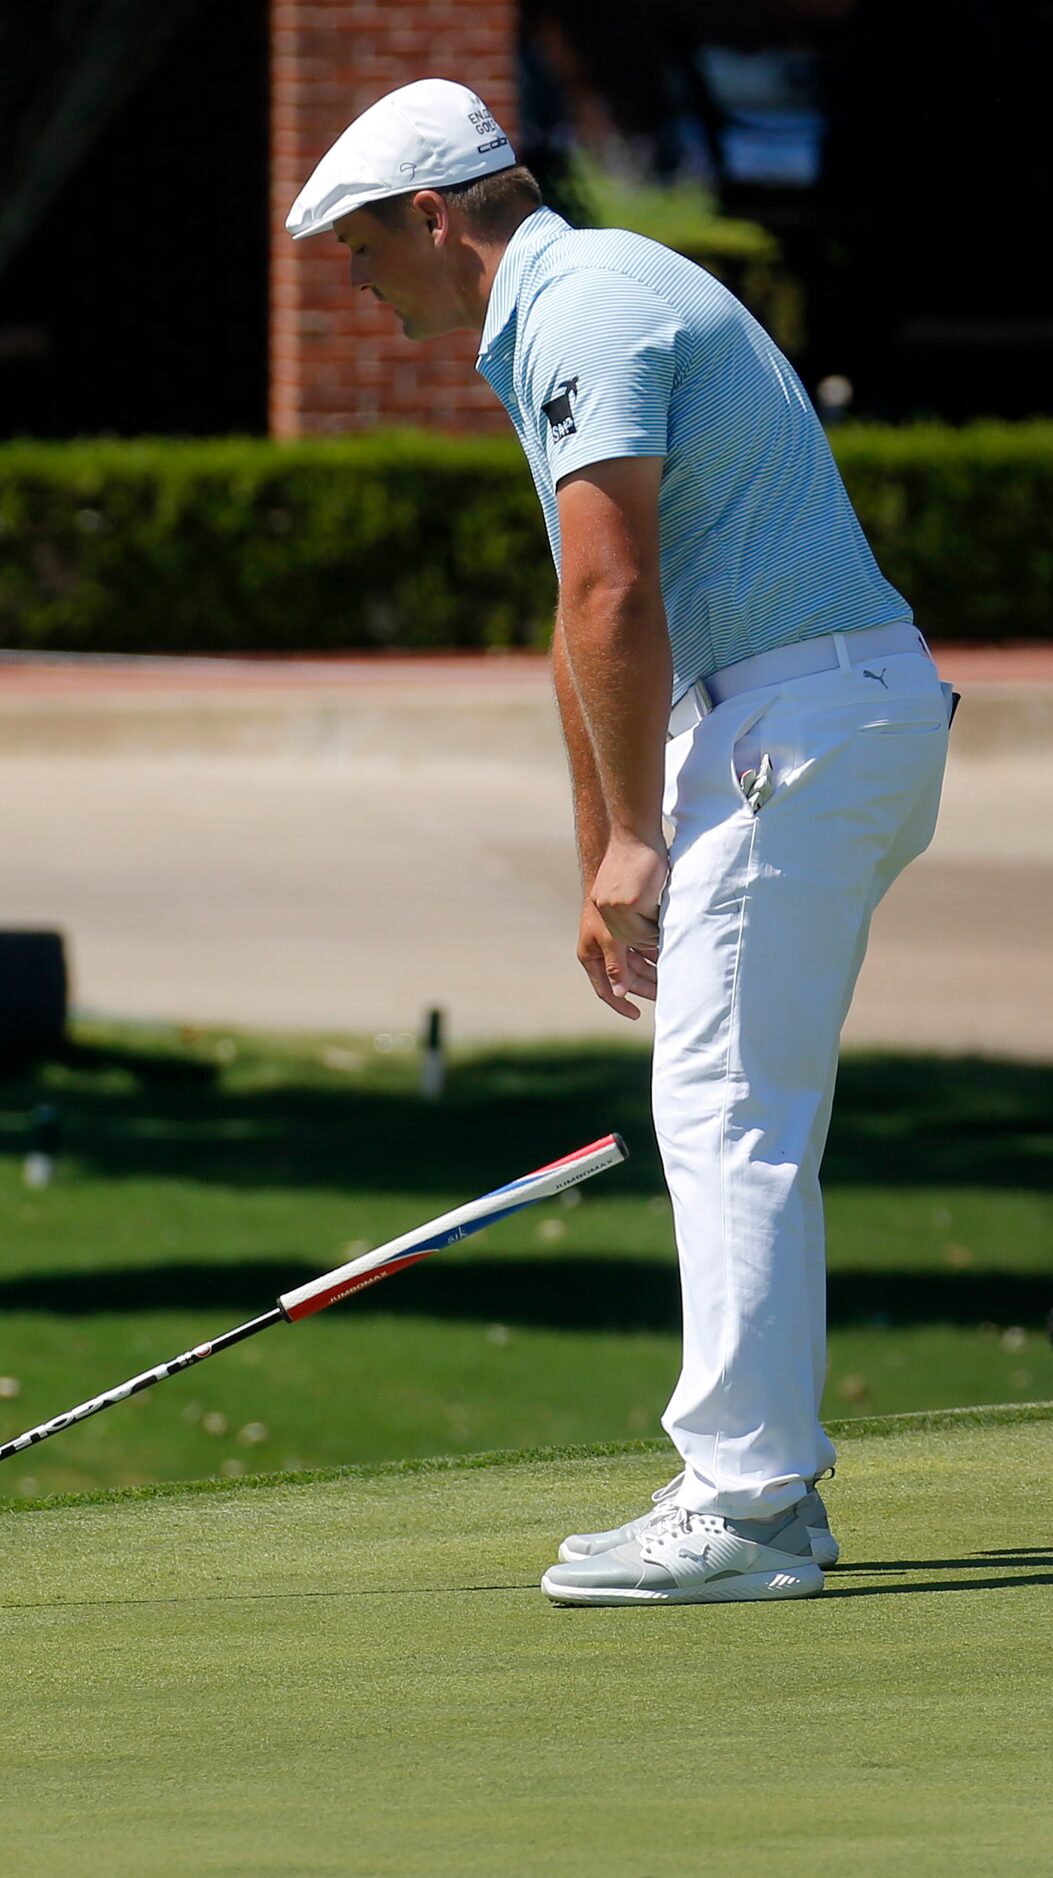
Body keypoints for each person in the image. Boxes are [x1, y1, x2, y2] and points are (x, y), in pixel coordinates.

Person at [287, 79, 953, 1606]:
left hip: (797, 725)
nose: (358, 286)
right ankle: (747, 1470)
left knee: (724, 1108)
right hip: (790, 721)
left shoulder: (583, 302)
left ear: (436, 218)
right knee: (719, 1099)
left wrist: (640, 839)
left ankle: (753, 1500)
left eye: (361, 246)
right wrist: (604, 859)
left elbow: (613, 595)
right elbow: (575, 620)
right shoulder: (563, 312)